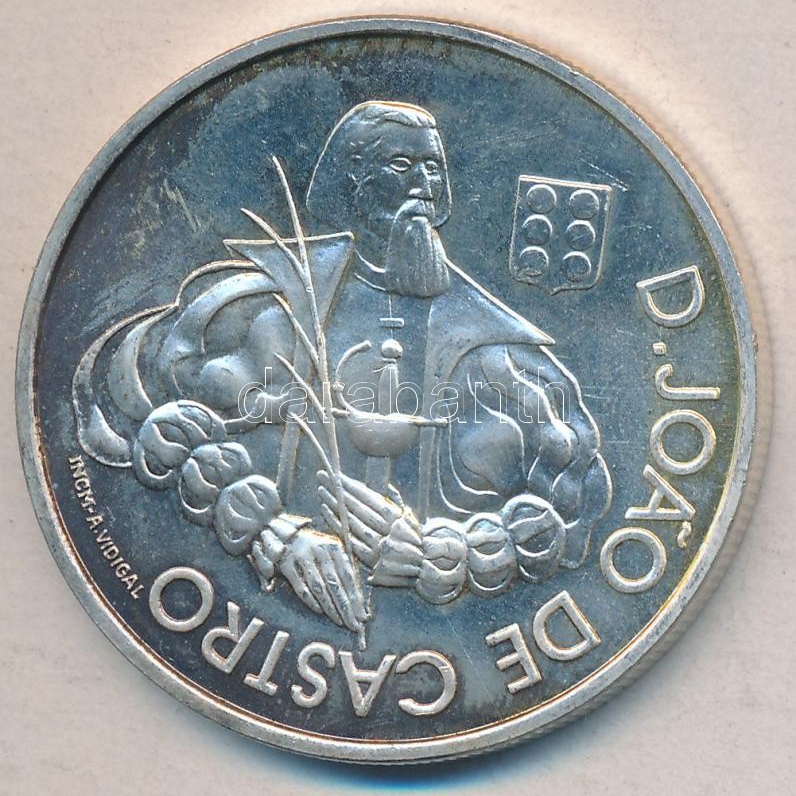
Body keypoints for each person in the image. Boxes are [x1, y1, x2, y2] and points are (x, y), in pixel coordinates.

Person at [73, 101, 611, 639]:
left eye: (434, 167)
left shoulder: (496, 347)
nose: (425, 185)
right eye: (402, 165)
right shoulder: (274, 303)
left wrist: (442, 555)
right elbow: (137, 404)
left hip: (431, 633)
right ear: (353, 178)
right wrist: (271, 531)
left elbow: (570, 502)